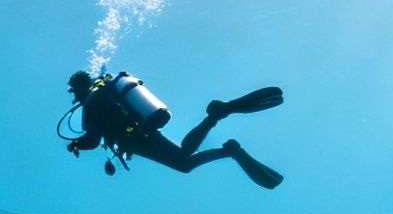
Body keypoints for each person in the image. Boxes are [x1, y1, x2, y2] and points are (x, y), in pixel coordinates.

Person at [64, 71, 285, 189]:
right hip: (142, 132)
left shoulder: (92, 103)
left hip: (137, 138)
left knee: (184, 161)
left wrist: (76, 144)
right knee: (184, 160)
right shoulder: (106, 94)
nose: (73, 97)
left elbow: (93, 139)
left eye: (73, 91)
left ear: (79, 88)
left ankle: (218, 122)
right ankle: (225, 139)